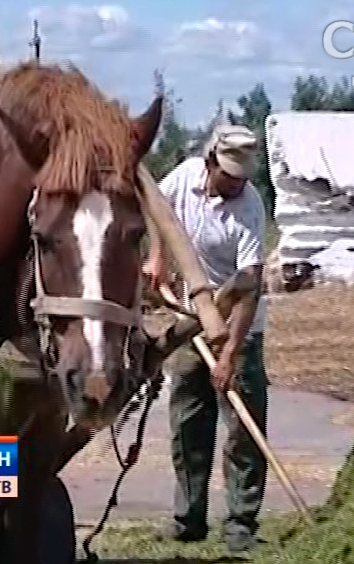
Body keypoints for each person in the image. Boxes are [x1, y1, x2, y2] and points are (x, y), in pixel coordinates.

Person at [143, 124, 268, 554]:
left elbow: (249, 282)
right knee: (188, 422)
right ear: (210, 161)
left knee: (241, 429)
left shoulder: (250, 207)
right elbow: (156, 207)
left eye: (242, 177)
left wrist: (230, 353)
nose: (236, 184)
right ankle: (188, 518)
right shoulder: (183, 177)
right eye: (228, 174)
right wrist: (157, 257)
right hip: (189, 318)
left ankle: (240, 522)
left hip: (238, 324)